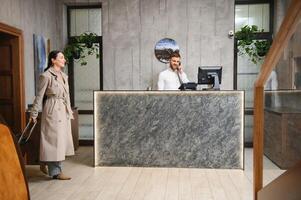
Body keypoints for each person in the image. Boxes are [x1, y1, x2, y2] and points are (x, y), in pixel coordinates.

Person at [30, 50, 74, 180]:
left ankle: (45, 162)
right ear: (53, 60)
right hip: (52, 110)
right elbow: (39, 96)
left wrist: (69, 111)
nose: (64, 59)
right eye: (61, 57)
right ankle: (56, 172)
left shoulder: (64, 76)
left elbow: (67, 95)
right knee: (53, 141)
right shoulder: (46, 76)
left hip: (63, 109)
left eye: (64, 58)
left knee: (61, 141)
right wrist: (34, 113)